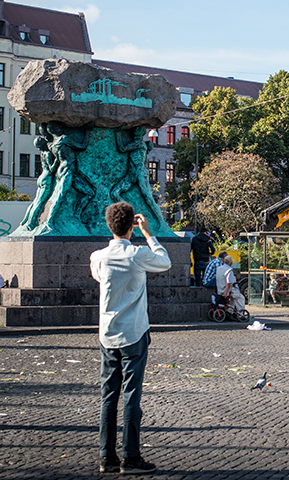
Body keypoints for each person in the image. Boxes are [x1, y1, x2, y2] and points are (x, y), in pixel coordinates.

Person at [90, 202, 171, 475]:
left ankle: (106, 457)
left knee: (108, 397)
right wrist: (148, 234)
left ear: (109, 225)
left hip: (107, 333)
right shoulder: (137, 255)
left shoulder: (97, 257)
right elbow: (164, 261)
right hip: (134, 332)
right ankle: (131, 456)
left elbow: (99, 277)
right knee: (131, 396)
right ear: (131, 227)